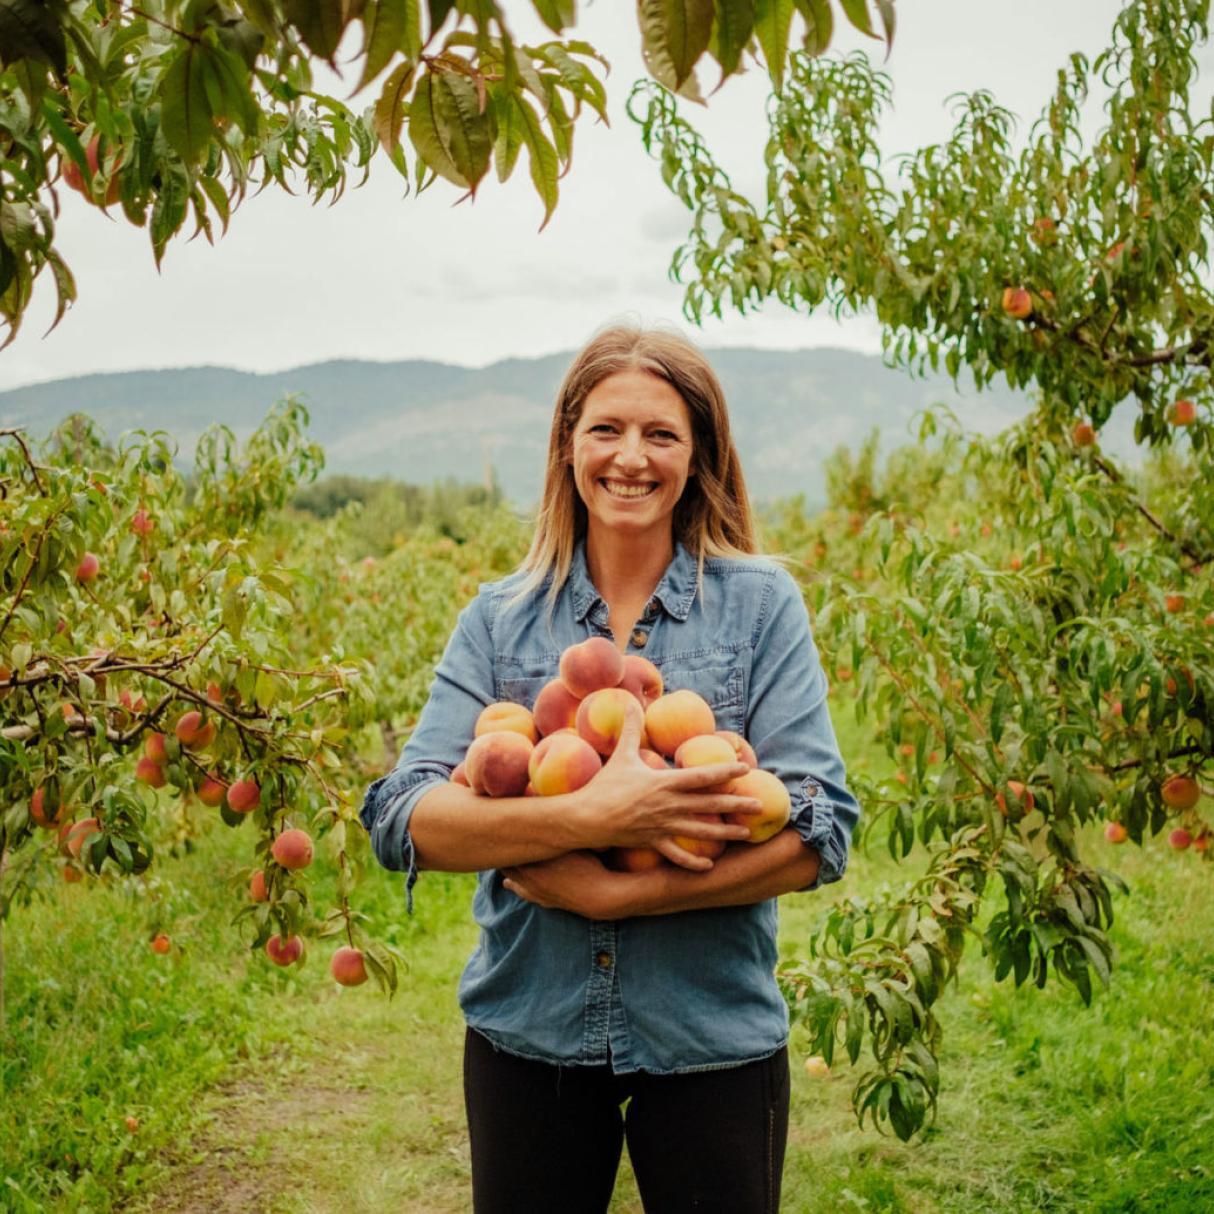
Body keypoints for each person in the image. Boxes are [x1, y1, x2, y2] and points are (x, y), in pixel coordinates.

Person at [359, 324, 860, 1214]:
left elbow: (821, 831)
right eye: (606, 429)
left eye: (662, 434)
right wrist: (594, 821)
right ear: (567, 443)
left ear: (699, 455)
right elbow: (405, 821)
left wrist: (623, 894)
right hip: (531, 1030)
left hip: (711, 1032)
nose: (632, 457)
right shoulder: (500, 620)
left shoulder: (758, 606)